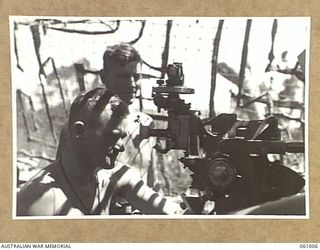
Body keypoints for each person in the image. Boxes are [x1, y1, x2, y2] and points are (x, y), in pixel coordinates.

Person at [17, 88, 185, 216]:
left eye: (123, 137)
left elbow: (174, 214)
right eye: (113, 137)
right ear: (79, 132)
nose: (121, 146)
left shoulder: (114, 176)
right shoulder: (39, 201)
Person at [56, 43, 162, 191]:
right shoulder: (81, 127)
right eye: (123, 76)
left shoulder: (145, 123)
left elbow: (152, 183)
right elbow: (63, 181)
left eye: (136, 76)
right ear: (104, 76)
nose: (132, 83)